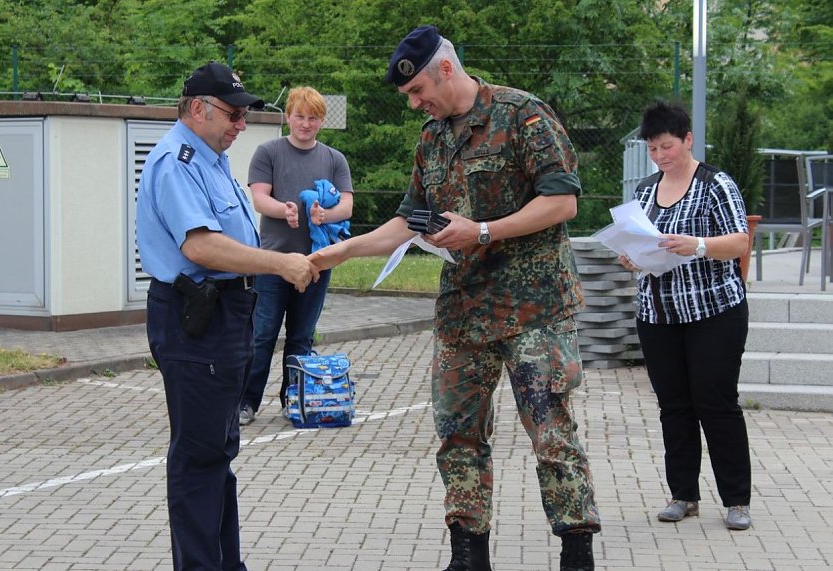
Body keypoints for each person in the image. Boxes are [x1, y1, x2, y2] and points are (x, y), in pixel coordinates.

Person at [310, 25, 600, 571]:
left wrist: (484, 231)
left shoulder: (523, 115)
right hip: (463, 315)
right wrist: (341, 252)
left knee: (551, 433)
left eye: (418, 90)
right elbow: (408, 219)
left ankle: (575, 552)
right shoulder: (432, 137)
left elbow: (562, 202)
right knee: (457, 436)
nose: (416, 102)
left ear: (446, 68)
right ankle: (468, 555)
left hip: (533, 311)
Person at [136, 61, 319, 570]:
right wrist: (281, 264)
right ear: (197, 109)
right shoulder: (178, 159)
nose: (241, 125)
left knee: (217, 458)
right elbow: (201, 247)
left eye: (244, 115)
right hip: (197, 317)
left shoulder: (210, 159)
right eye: (233, 114)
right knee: (198, 461)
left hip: (226, 314)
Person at [619, 100, 752, 531]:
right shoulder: (643, 190)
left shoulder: (716, 185)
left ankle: (736, 501)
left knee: (716, 403)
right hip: (658, 315)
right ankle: (683, 495)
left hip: (714, 311)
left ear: (688, 140)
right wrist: (631, 258)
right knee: (673, 406)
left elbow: (739, 243)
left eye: (668, 146)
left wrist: (696, 244)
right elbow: (640, 242)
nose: (661, 156)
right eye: (654, 149)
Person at [238, 86, 353, 425]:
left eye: (313, 118)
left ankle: (295, 398)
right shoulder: (268, 152)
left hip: (316, 263)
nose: (305, 124)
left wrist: (324, 216)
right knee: (262, 335)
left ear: (321, 121)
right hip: (272, 263)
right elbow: (260, 198)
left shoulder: (334, 159)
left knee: (301, 336)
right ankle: (246, 402)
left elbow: (346, 204)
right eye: (300, 116)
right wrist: (284, 210)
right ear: (288, 116)